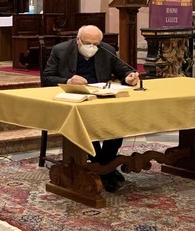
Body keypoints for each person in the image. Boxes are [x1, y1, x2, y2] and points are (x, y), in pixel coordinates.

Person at [41, 25, 139, 192]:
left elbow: (124, 71)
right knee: (86, 124)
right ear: (78, 40)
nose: (92, 47)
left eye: (96, 44)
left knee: (117, 123)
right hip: (74, 100)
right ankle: (106, 169)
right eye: (87, 43)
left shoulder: (106, 50)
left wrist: (129, 78)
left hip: (100, 98)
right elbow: (47, 77)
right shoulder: (61, 50)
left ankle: (101, 167)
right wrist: (68, 81)